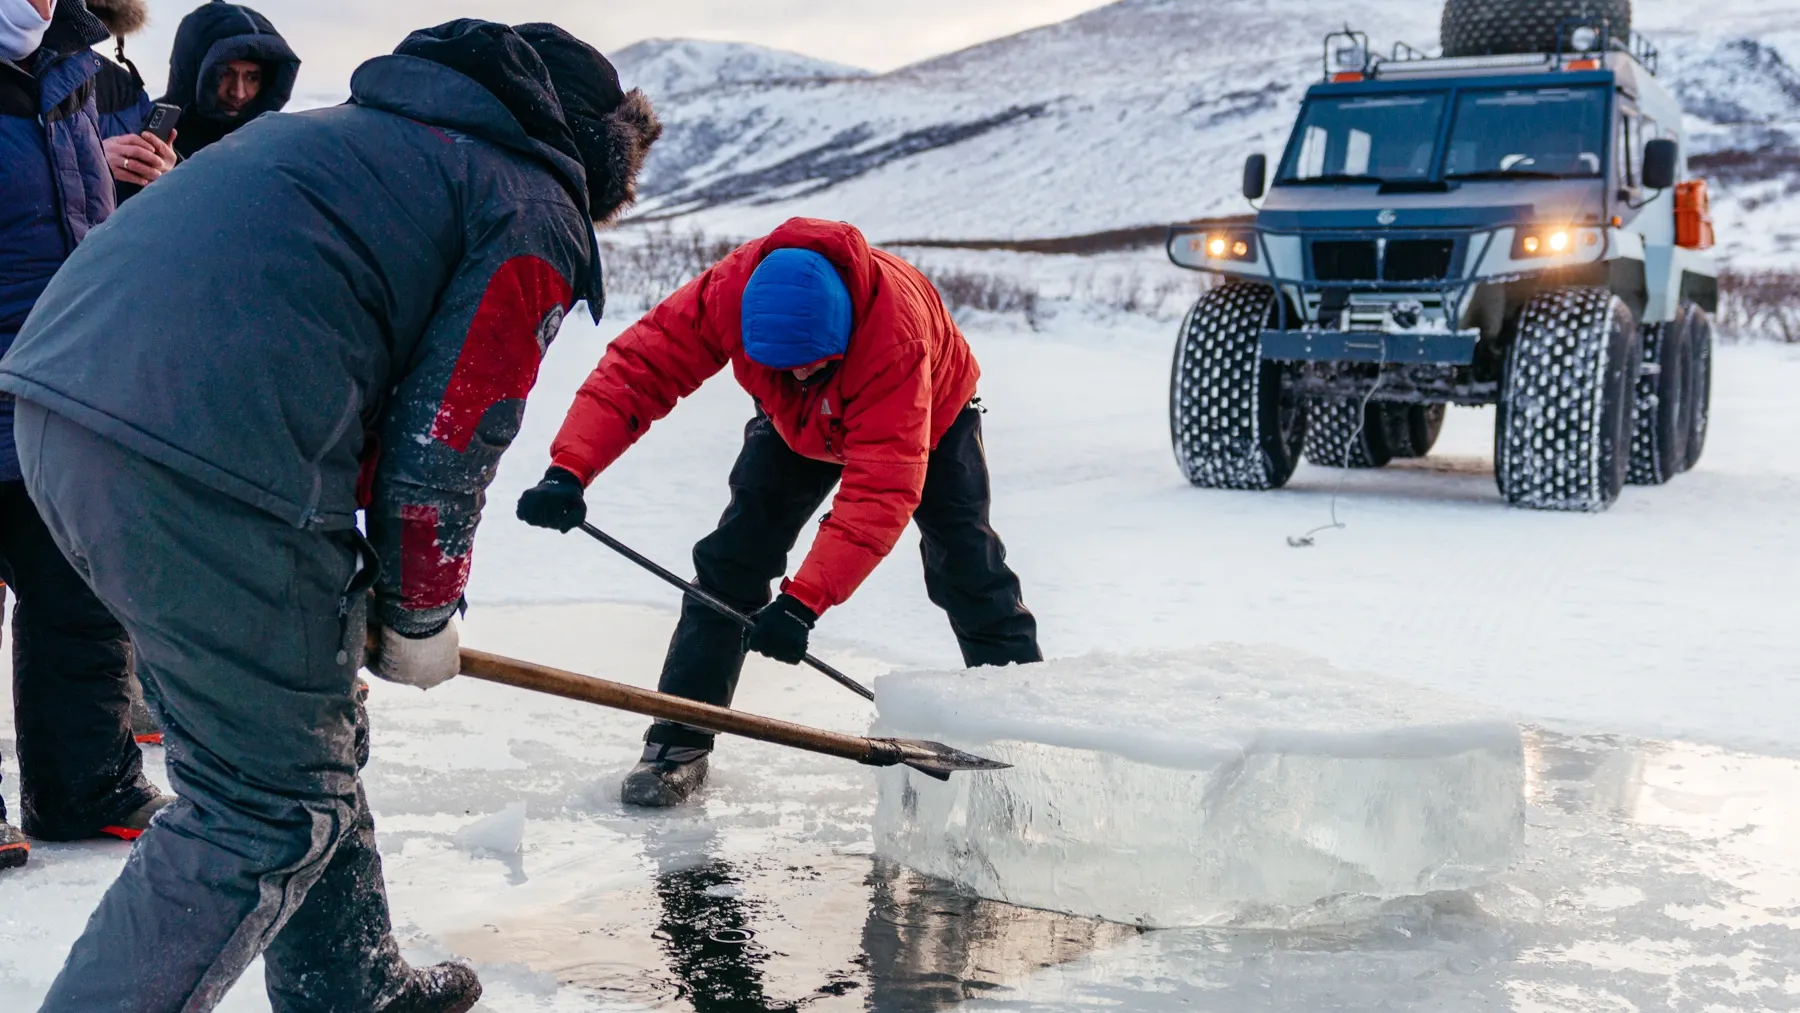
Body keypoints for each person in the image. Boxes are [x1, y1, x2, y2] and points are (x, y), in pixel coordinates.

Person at [0, 17, 659, 1011]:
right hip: (205, 453)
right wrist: (423, 612)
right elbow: (444, 444)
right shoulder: (528, 201)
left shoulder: (355, 137)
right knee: (261, 802)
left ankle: (352, 980)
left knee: (304, 723)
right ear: (599, 156)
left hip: (60, 409)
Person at [517, 218, 1043, 808]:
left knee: (967, 567)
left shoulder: (896, 340)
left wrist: (802, 603)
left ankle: (1032, 744)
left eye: (810, 365)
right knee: (733, 560)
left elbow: (879, 492)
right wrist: (570, 468)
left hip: (932, 413)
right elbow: (641, 369)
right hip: (795, 428)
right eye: (781, 365)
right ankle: (679, 743)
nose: (796, 375)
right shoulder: (727, 293)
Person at [0, 0, 170, 874]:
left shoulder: (67, 73)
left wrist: (125, 176)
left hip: (62, 387)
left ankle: (85, 784)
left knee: (79, 596)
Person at [157, 0, 298, 161]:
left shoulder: (274, 148)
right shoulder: (137, 134)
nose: (238, 93)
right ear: (193, 70)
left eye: (252, 78)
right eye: (224, 74)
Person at [88, 0, 179, 200]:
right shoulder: (13, 77)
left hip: (125, 227)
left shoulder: (127, 87)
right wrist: (89, 165)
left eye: (95, 15)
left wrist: (164, 171)